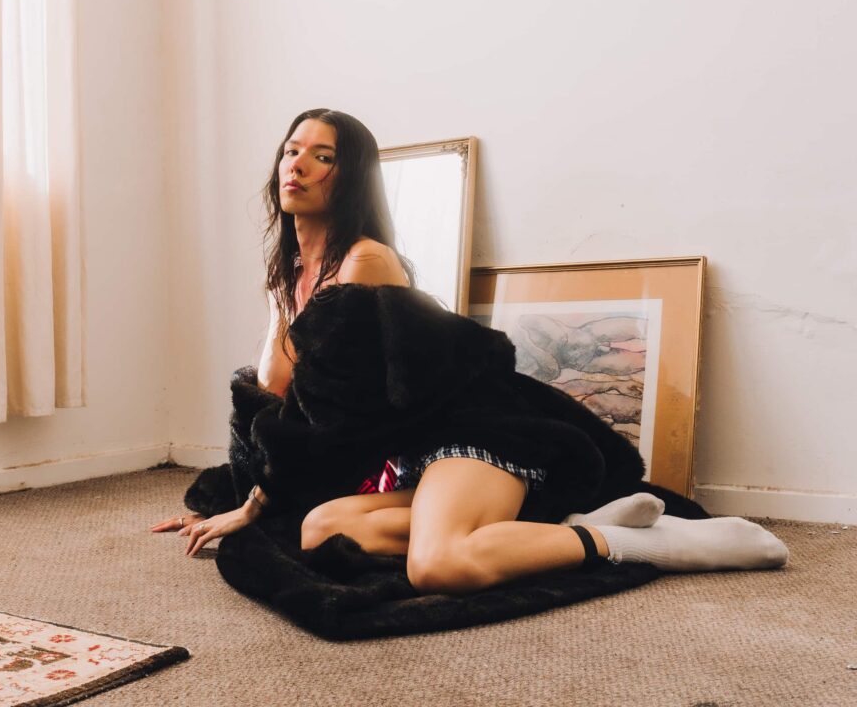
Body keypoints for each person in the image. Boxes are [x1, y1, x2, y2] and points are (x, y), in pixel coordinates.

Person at [151, 108, 789, 594]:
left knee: (438, 565)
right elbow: (278, 391)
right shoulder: (292, 276)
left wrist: (255, 504)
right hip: (417, 454)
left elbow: (320, 409)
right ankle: (561, 526)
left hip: (476, 433)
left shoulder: (365, 263)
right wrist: (279, 302)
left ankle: (648, 543)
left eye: (323, 156)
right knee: (319, 529)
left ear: (350, 181)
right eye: (292, 151)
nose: (298, 165)